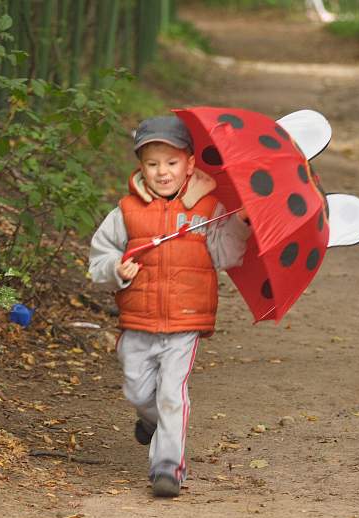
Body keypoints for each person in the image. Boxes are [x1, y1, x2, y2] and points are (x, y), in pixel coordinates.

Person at [89, 115, 251, 497]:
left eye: (172, 163)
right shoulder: (126, 212)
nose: (163, 172)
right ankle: (151, 423)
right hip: (138, 320)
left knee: (171, 393)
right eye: (152, 164)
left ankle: (167, 467)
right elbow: (99, 258)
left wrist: (239, 224)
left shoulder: (209, 210)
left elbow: (225, 255)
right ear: (140, 167)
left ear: (190, 165)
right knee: (136, 390)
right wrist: (116, 269)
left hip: (185, 321)